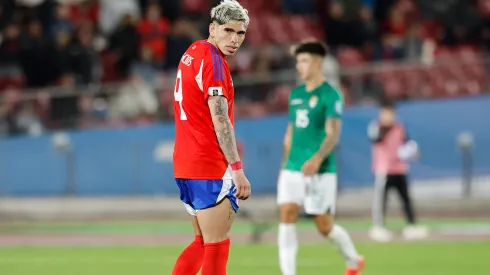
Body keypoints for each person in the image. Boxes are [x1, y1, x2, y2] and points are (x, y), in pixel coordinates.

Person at [171, 1, 251, 274]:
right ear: (212, 28)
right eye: (228, 30)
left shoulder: (193, 51)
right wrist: (237, 169)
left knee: (202, 242)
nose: (234, 39)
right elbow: (220, 119)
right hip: (209, 164)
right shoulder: (214, 62)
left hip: (185, 163)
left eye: (240, 34)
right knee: (217, 246)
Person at [277, 41, 364, 275]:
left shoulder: (330, 95)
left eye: (303, 61)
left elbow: (333, 133)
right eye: (297, 61)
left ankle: (354, 259)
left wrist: (317, 159)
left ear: (317, 63)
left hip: (320, 170)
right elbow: (291, 131)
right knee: (286, 215)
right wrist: (285, 165)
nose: (299, 66)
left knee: (324, 227)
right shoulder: (295, 95)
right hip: (292, 167)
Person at [367, 101, 428, 242]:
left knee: (406, 199)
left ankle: (411, 225)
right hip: (384, 170)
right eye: (385, 113)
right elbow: (376, 138)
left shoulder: (399, 128)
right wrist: (385, 126)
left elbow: (407, 143)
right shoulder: (376, 127)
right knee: (381, 200)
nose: (388, 116)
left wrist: (411, 151)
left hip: (399, 168)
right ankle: (378, 226)